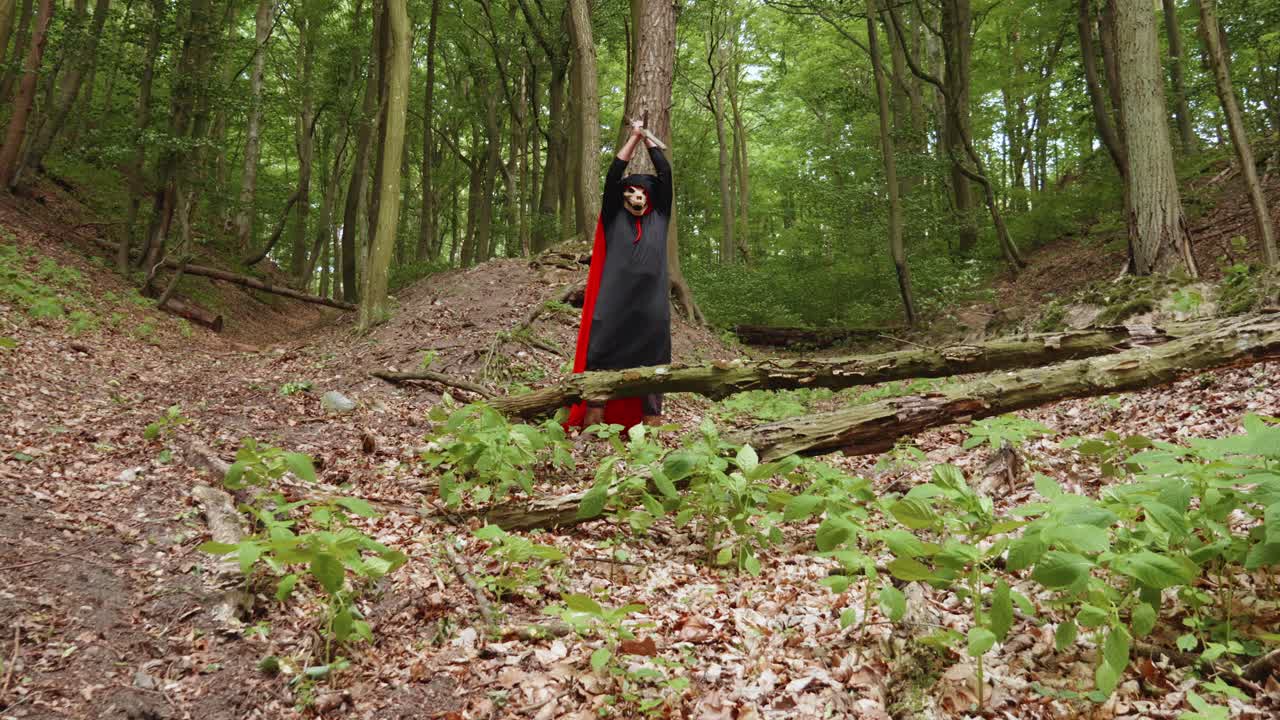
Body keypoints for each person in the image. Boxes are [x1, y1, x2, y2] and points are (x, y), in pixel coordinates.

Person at [565, 121, 673, 431]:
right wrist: (634, 137)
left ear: (651, 197)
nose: (637, 196)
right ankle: (593, 428)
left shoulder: (660, 217)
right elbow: (613, 175)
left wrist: (650, 144)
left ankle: (651, 432)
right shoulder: (615, 218)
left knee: (653, 369)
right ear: (624, 197)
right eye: (631, 191)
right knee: (601, 361)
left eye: (643, 191)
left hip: (651, 310)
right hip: (613, 307)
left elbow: (665, 174)